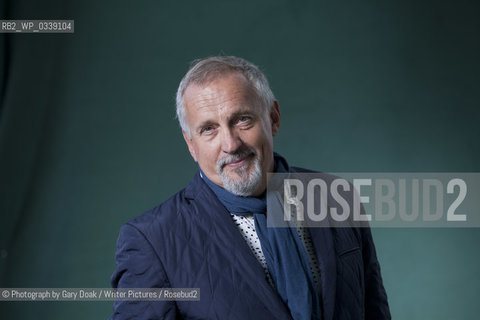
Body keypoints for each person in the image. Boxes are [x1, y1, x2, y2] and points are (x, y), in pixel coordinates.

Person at [110, 55, 391, 319]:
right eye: (209, 129)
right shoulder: (152, 241)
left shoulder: (336, 198)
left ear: (274, 118)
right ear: (191, 144)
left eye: (242, 119)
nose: (231, 144)